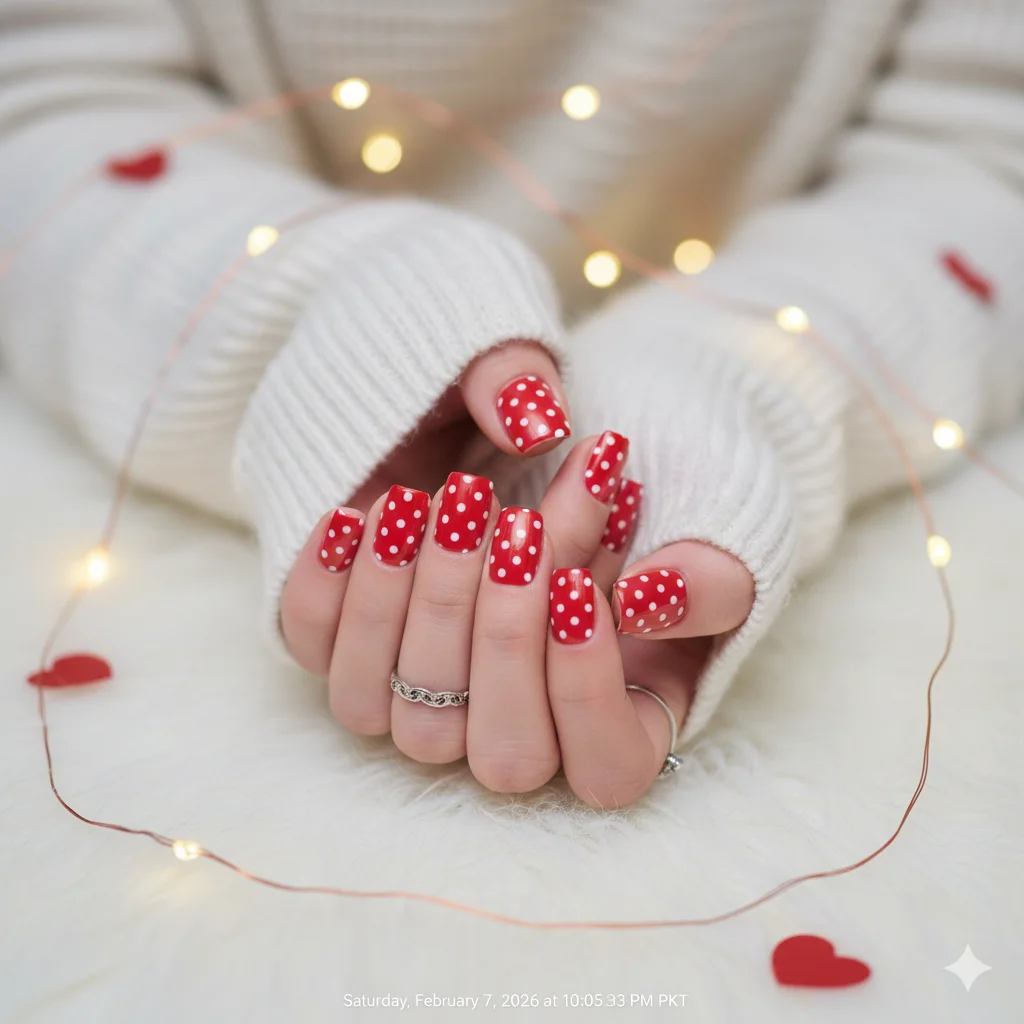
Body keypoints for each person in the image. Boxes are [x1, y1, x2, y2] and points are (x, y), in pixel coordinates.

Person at [1, 0, 1021, 807]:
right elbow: (47, 102)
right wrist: (326, 328)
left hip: (771, 312)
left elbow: (986, 154)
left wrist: (733, 372)